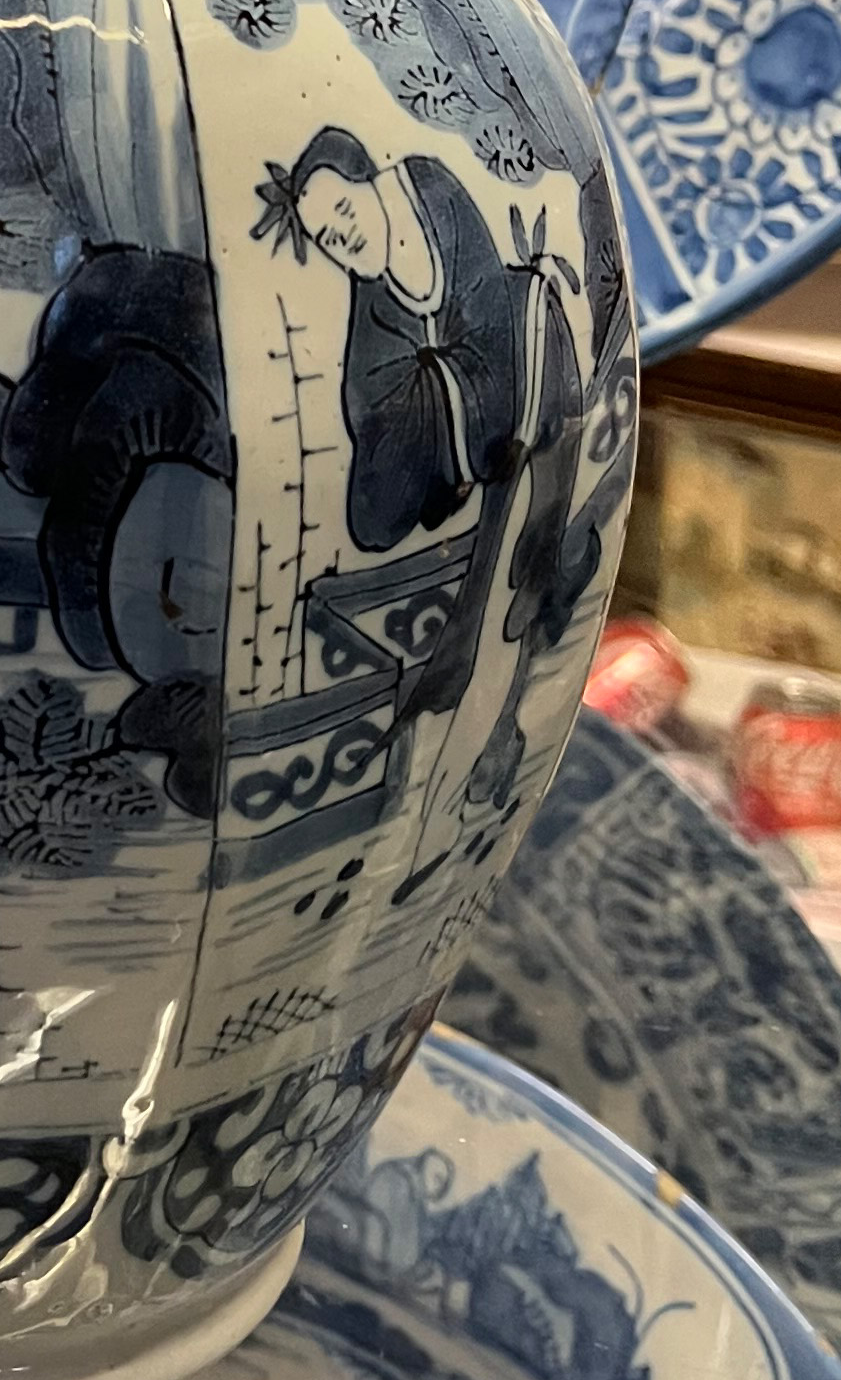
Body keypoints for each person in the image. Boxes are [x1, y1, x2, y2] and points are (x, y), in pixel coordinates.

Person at [253, 122, 592, 892]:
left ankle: (475, 759)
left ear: (369, 181)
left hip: (525, 394)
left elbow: (490, 330)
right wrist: (424, 411)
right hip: (476, 445)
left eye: (342, 214)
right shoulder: (374, 293)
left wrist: (446, 398)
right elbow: (369, 401)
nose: (341, 241)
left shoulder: (433, 192)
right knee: (387, 500)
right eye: (325, 239)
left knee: (509, 580)